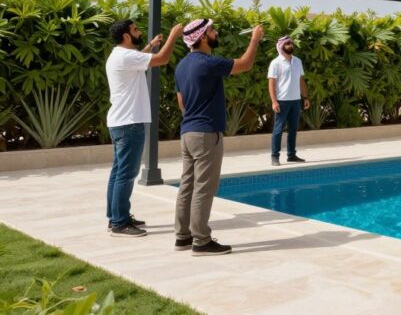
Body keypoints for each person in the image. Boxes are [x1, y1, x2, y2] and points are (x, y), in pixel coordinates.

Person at [174, 18, 264, 256]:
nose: (216, 33)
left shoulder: (181, 66)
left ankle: (182, 237)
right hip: (205, 134)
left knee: (187, 185)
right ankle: (201, 241)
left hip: (187, 132)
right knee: (204, 187)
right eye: (212, 30)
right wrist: (255, 39)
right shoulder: (207, 63)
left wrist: (193, 119)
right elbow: (244, 64)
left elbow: (181, 101)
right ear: (203, 37)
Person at [104, 19, 182, 237]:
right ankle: (119, 224)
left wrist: (150, 46)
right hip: (129, 123)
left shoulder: (120, 55)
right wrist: (174, 35)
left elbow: (140, 59)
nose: (139, 32)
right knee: (126, 174)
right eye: (135, 30)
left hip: (121, 122)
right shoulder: (126, 57)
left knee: (118, 173)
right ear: (126, 36)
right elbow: (163, 59)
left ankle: (115, 217)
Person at [268, 36, 310, 166]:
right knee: (278, 129)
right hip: (282, 101)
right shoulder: (275, 63)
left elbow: (301, 80)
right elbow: (271, 83)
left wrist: (305, 97)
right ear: (281, 46)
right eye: (287, 43)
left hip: (296, 100)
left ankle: (291, 155)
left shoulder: (298, 61)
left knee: (293, 129)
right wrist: (274, 101)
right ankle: (275, 156)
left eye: (291, 43)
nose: (290, 45)